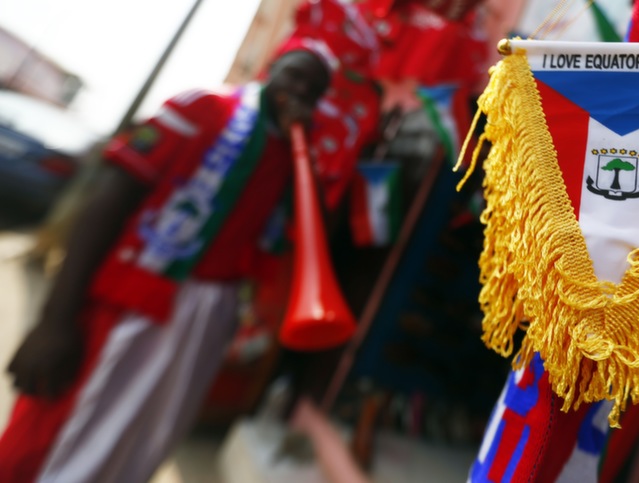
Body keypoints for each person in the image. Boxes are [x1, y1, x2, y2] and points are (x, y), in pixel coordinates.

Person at [0, 1, 378, 481]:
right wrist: (55, 319)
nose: (299, 92)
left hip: (201, 322)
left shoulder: (290, 155)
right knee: (54, 436)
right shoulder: (203, 107)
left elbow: (283, 243)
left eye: (313, 90)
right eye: (293, 75)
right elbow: (107, 202)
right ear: (270, 68)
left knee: (135, 443)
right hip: (129, 301)